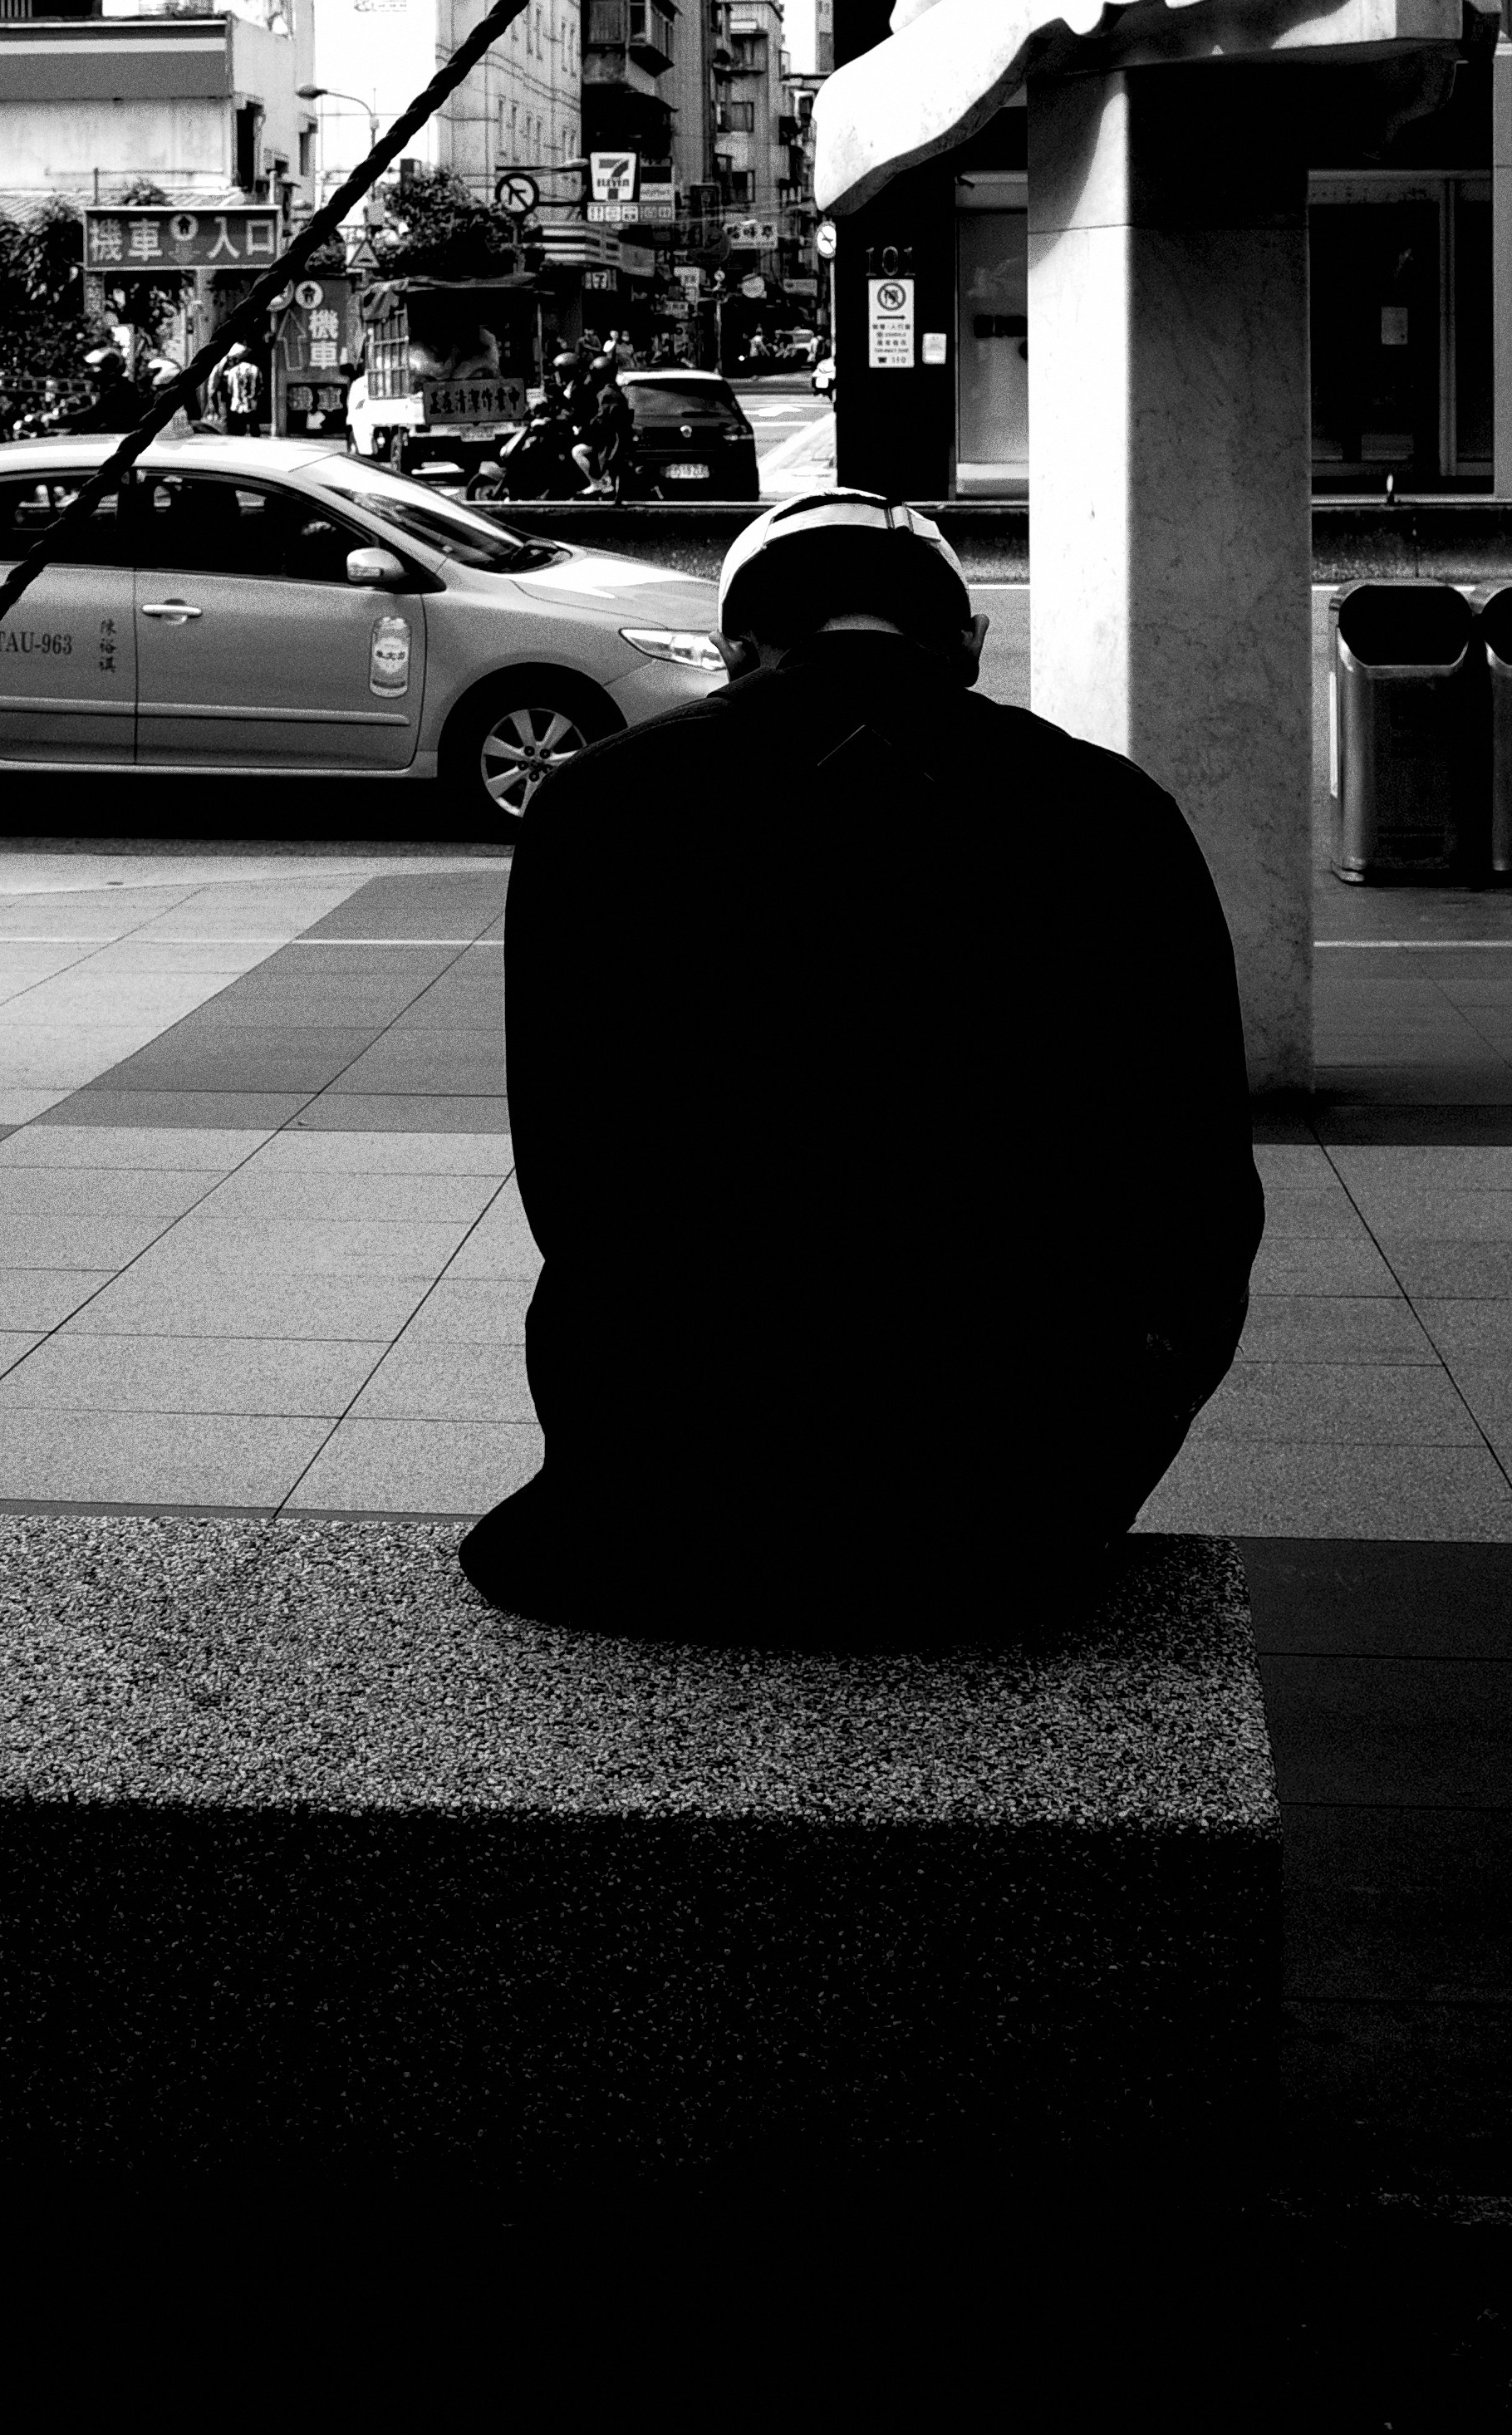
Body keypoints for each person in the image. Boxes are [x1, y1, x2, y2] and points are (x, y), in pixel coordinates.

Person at [461, 493, 1262, 1641]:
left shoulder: (602, 805)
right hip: (1014, 1497)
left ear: (737, 649)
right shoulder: (1110, 812)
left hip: (671, 1495)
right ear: (971, 645)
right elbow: (1198, 1188)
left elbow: (572, 1179)